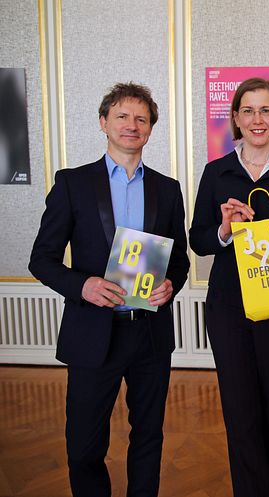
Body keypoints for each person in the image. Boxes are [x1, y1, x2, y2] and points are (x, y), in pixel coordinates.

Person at [28, 82, 190, 496]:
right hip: (93, 332)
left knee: (149, 438)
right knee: (83, 447)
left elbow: (180, 261)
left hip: (150, 335)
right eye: (121, 116)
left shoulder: (167, 189)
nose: (131, 125)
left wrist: (171, 284)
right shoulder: (72, 184)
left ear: (151, 129)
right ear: (104, 123)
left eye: (141, 118)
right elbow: (41, 259)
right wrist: (82, 285)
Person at [189, 77, 269, 497]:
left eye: (265, 110)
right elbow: (198, 238)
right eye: (248, 111)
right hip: (229, 309)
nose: (257, 119)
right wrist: (224, 230)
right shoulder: (216, 172)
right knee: (240, 413)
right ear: (236, 120)